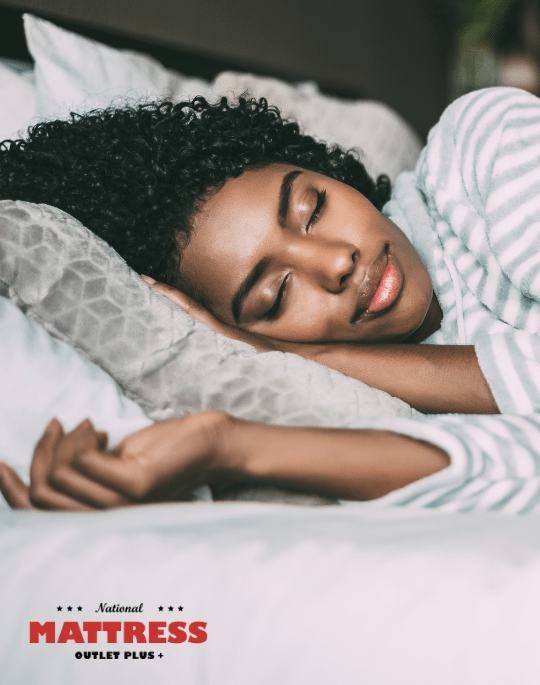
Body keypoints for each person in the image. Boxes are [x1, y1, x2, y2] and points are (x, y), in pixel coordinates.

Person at [1, 86, 540, 512]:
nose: (336, 262)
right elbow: (512, 471)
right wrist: (227, 447)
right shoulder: (378, 401)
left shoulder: (483, 146)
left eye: (313, 208)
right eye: (276, 294)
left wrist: (307, 354)